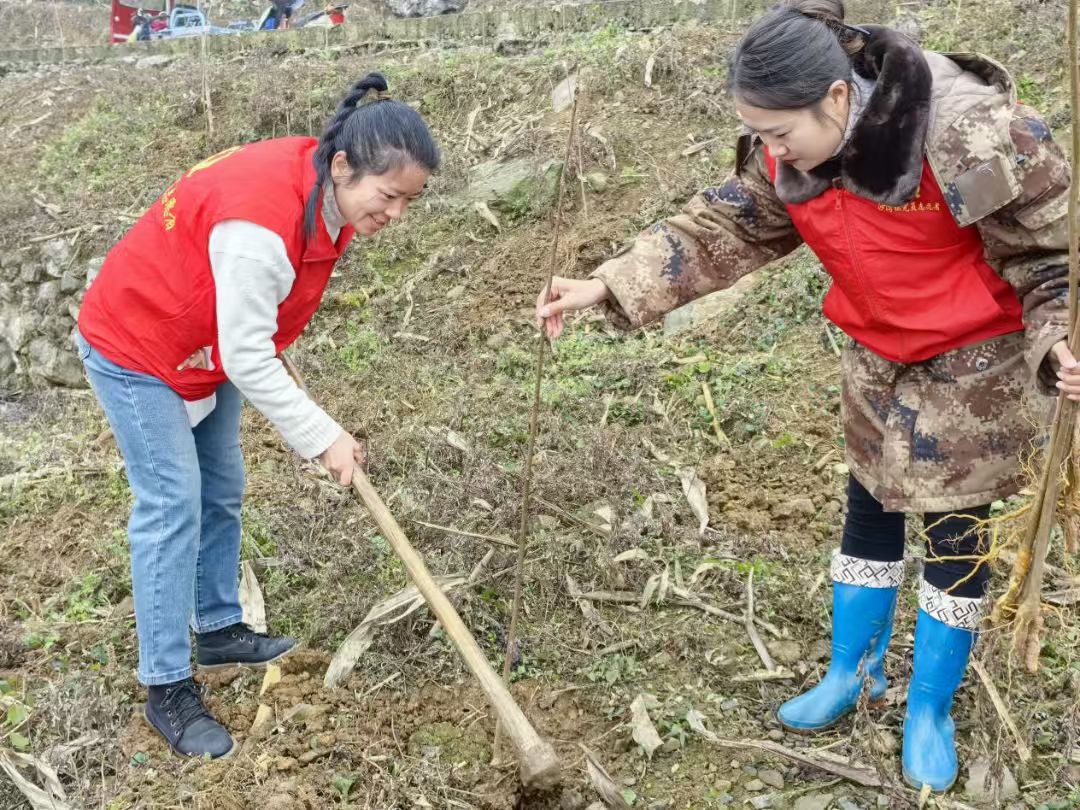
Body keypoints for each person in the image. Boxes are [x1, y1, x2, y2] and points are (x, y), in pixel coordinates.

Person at [535, 0, 1073, 792]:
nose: (771, 150)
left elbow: (1052, 253)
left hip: (976, 362)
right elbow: (724, 226)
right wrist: (607, 284)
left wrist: (1059, 335)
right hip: (877, 349)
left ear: (837, 97)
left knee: (956, 528)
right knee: (870, 503)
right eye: (757, 133)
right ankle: (853, 671)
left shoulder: (969, 135)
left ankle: (930, 707)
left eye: (780, 132)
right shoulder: (787, 150)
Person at [76, 72, 439, 760]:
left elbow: (251, 324)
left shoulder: (322, 186)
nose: (396, 214)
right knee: (172, 502)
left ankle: (217, 627)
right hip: (138, 342)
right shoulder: (259, 225)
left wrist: (260, 336)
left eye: (408, 200)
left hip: (203, 343)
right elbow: (248, 353)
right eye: (389, 196)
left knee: (223, 485)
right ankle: (166, 685)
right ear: (343, 166)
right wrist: (324, 437)